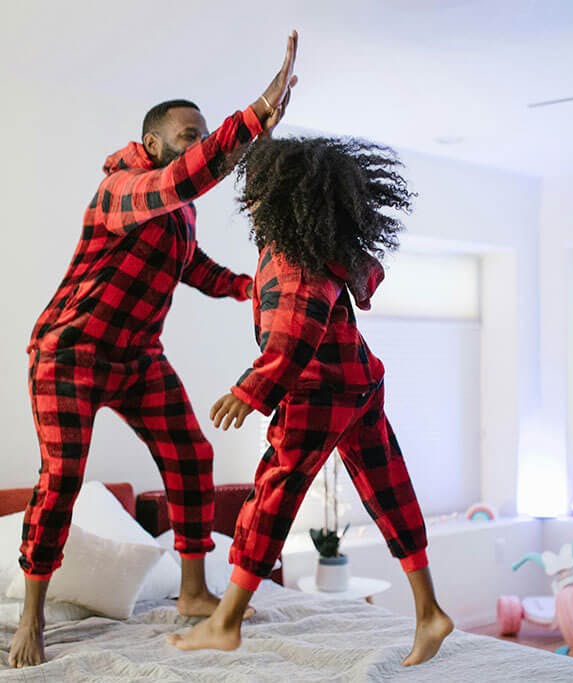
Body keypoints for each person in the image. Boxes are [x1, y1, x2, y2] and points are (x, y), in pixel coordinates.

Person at [8, 31, 300, 670]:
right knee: (62, 478)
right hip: (70, 351)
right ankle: (31, 616)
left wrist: (261, 287)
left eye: (203, 133)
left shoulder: (178, 214)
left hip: (136, 355)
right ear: (153, 146)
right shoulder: (125, 190)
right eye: (188, 135)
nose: (197, 143)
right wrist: (250, 118)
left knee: (193, 456)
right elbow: (184, 182)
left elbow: (195, 267)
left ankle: (193, 593)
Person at [168, 136, 454, 666]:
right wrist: (267, 128)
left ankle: (225, 622)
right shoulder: (318, 245)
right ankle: (429, 610)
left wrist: (249, 390)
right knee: (386, 486)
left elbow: (296, 332)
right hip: (360, 380)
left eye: (255, 190)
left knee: (273, 492)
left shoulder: (292, 259)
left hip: (319, 388)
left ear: (279, 197)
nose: (247, 200)